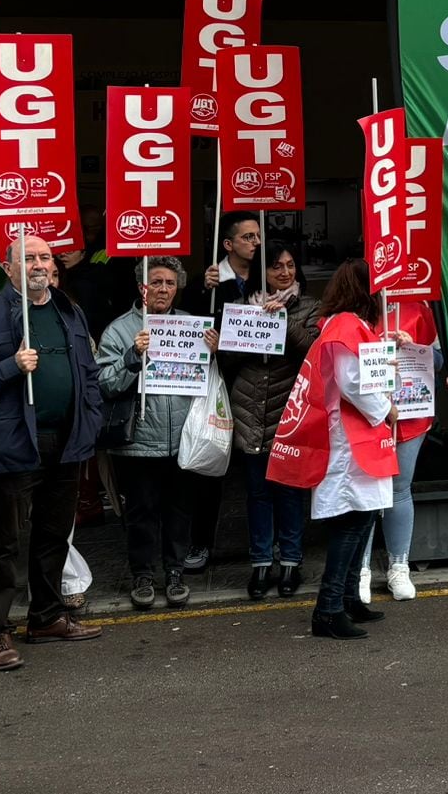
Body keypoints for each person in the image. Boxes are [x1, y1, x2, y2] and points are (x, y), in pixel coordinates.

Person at [0, 234, 105, 671]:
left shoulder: (69, 310)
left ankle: (47, 617)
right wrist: (8, 368)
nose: (38, 264)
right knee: (3, 542)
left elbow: (87, 373)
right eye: (27, 257)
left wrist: (90, 418)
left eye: (44, 256)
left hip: (67, 440)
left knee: (54, 535)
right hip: (12, 443)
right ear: (7, 267)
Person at [267, 258, 396, 639]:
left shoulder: (354, 325)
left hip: (363, 438)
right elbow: (352, 382)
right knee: (352, 522)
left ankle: (348, 598)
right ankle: (328, 608)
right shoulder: (345, 325)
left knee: (365, 515)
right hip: (350, 440)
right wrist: (385, 409)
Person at [96, 258, 217, 611]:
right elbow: (104, 384)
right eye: (156, 282)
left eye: (169, 283)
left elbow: (205, 381)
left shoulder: (192, 327)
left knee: (180, 512)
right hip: (138, 443)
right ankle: (143, 575)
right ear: (141, 288)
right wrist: (134, 355)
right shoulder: (119, 331)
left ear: (177, 288)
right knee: (141, 514)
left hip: (182, 440)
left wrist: (213, 352)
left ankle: (175, 572)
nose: (163, 289)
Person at [223, 242, 320, 600]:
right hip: (248, 411)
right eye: (276, 266)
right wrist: (248, 327)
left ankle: (291, 563)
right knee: (257, 494)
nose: (284, 272)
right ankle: (261, 564)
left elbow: (313, 350)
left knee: (289, 492)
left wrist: (284, 320)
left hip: (288, 412)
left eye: (290, 265)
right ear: (261, 271)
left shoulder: (309, 306)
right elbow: (226, 360)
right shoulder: (238, 307)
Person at [189, 211, 265, 571]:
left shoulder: (266, 279)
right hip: (217, 382)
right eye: (248, 237)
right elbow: (186, 322)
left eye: (257, 236)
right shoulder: (211, 281)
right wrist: (203, 289)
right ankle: (200, 543)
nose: (255, 243)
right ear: (228, 244)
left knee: (257, 470)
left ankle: (262, 546)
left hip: (256, 384)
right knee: (210, 465)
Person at [364, 286, 437, 602]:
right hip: (367, 414)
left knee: (399, 487)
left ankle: (398, 566)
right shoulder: (361, 305)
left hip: (410, 415)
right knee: (367, 491)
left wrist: (416, 347)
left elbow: (439, 358)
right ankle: (361, 569)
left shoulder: (419, 305)